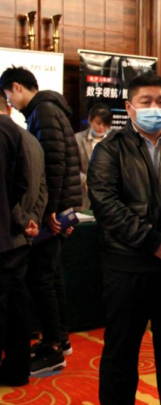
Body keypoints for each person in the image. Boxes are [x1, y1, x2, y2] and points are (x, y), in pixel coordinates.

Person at [87, 74, 161, 405]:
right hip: (128, 266)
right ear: (129, 108)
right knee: (121, 353)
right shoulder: (110, 149)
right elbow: (106, 206)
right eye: (145, 102)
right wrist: (153, 241)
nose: (154, 108)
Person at [0, 66, 81, 375]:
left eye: (9, 95)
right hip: (54, 209)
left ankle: (53, 346)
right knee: (51, 276)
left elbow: (53, 165)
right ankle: (59, 339)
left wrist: (50, 212)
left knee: (42, 279)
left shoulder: (43, 111)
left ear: (17, 87)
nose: (10, 102)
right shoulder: (49, 108)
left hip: (52, 213)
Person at [0, 99, 31, 386]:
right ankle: (18, 370)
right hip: (11, 238)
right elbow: (22, 182)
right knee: (16, 309)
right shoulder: (15, 132)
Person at [75, 103, 112, 210]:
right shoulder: (77, 139)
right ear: (90, 120)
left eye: (106, 124)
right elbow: (72, 168)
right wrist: (86, 180)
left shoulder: (115, 139)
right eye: (98, 123)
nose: (102, 127)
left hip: (109, 197)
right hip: (84, 197)